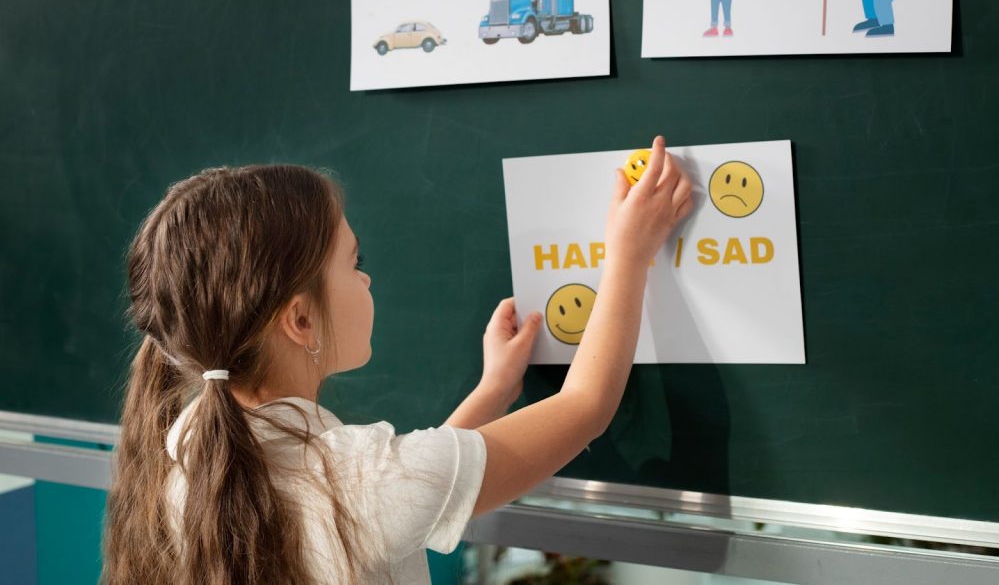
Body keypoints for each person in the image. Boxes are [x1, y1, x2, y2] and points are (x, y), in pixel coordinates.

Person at [101, 136, 693, 584]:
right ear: (301, 320)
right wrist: (629, 252)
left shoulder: (188, 448)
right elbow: (585, 406)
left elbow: (400, 497)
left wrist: (493, 392)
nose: (367, 277)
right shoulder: (363, 482)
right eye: (353, 263)